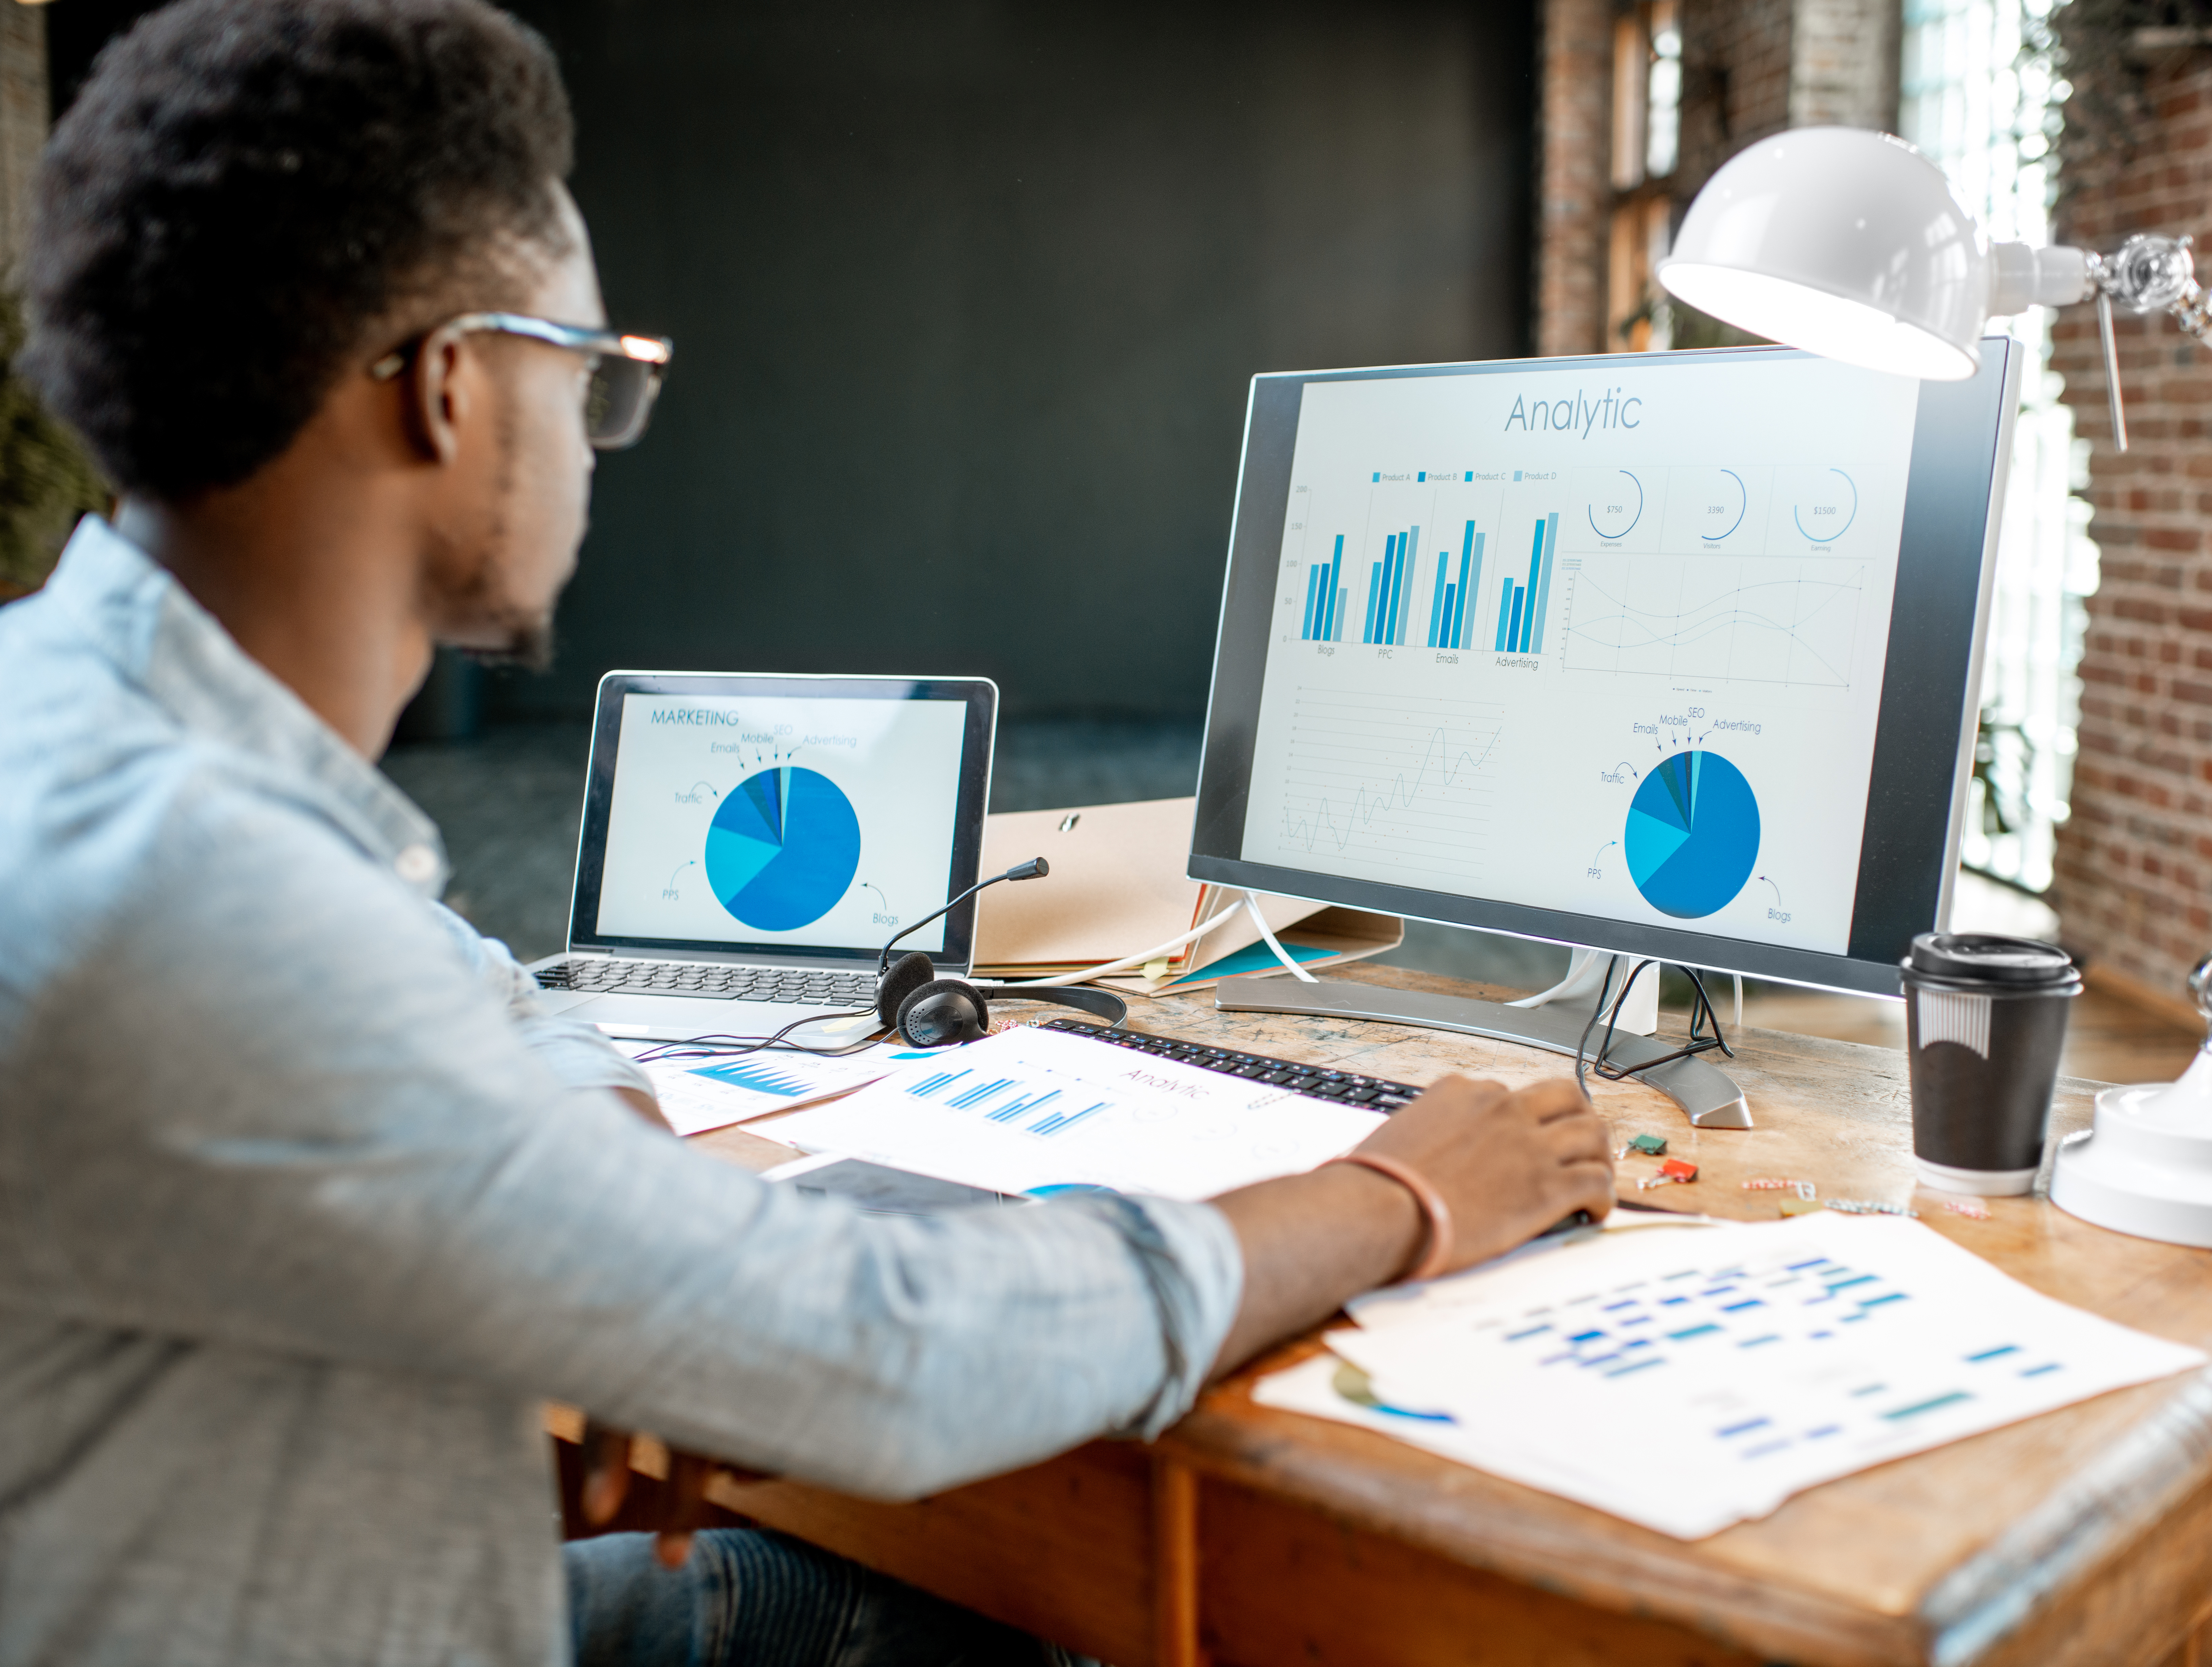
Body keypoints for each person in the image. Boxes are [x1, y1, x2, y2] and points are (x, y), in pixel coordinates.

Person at [0, 3, 1617, 1663]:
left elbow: (474, 982)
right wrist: (1395, 1196)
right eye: (593, 380)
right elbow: (875, 1353)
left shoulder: (83, 734)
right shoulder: (207, 893)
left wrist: (616, 1204)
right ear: (452, 390)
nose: (596, 444)